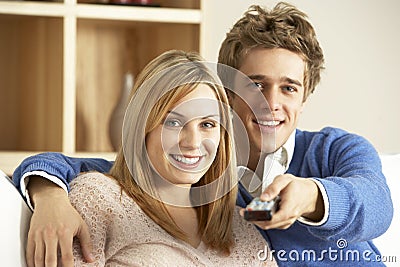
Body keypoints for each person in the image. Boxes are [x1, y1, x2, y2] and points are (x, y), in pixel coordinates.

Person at [13, 2, 393, 266]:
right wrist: (48, 194)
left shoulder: (334, 150)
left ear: (305, 96)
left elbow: (377, 205)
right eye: (255, 85)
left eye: (289, 88)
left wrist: (311, 196)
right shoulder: (206, 170)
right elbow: (105, 169)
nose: (270, 104)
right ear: (227, 94)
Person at [20, 49, 277, 266]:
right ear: (142, 127)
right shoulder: (98, 199)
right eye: (174, 122)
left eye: (207, 124)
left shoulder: (243, 231)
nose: (192, 142)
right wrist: (48, 195)